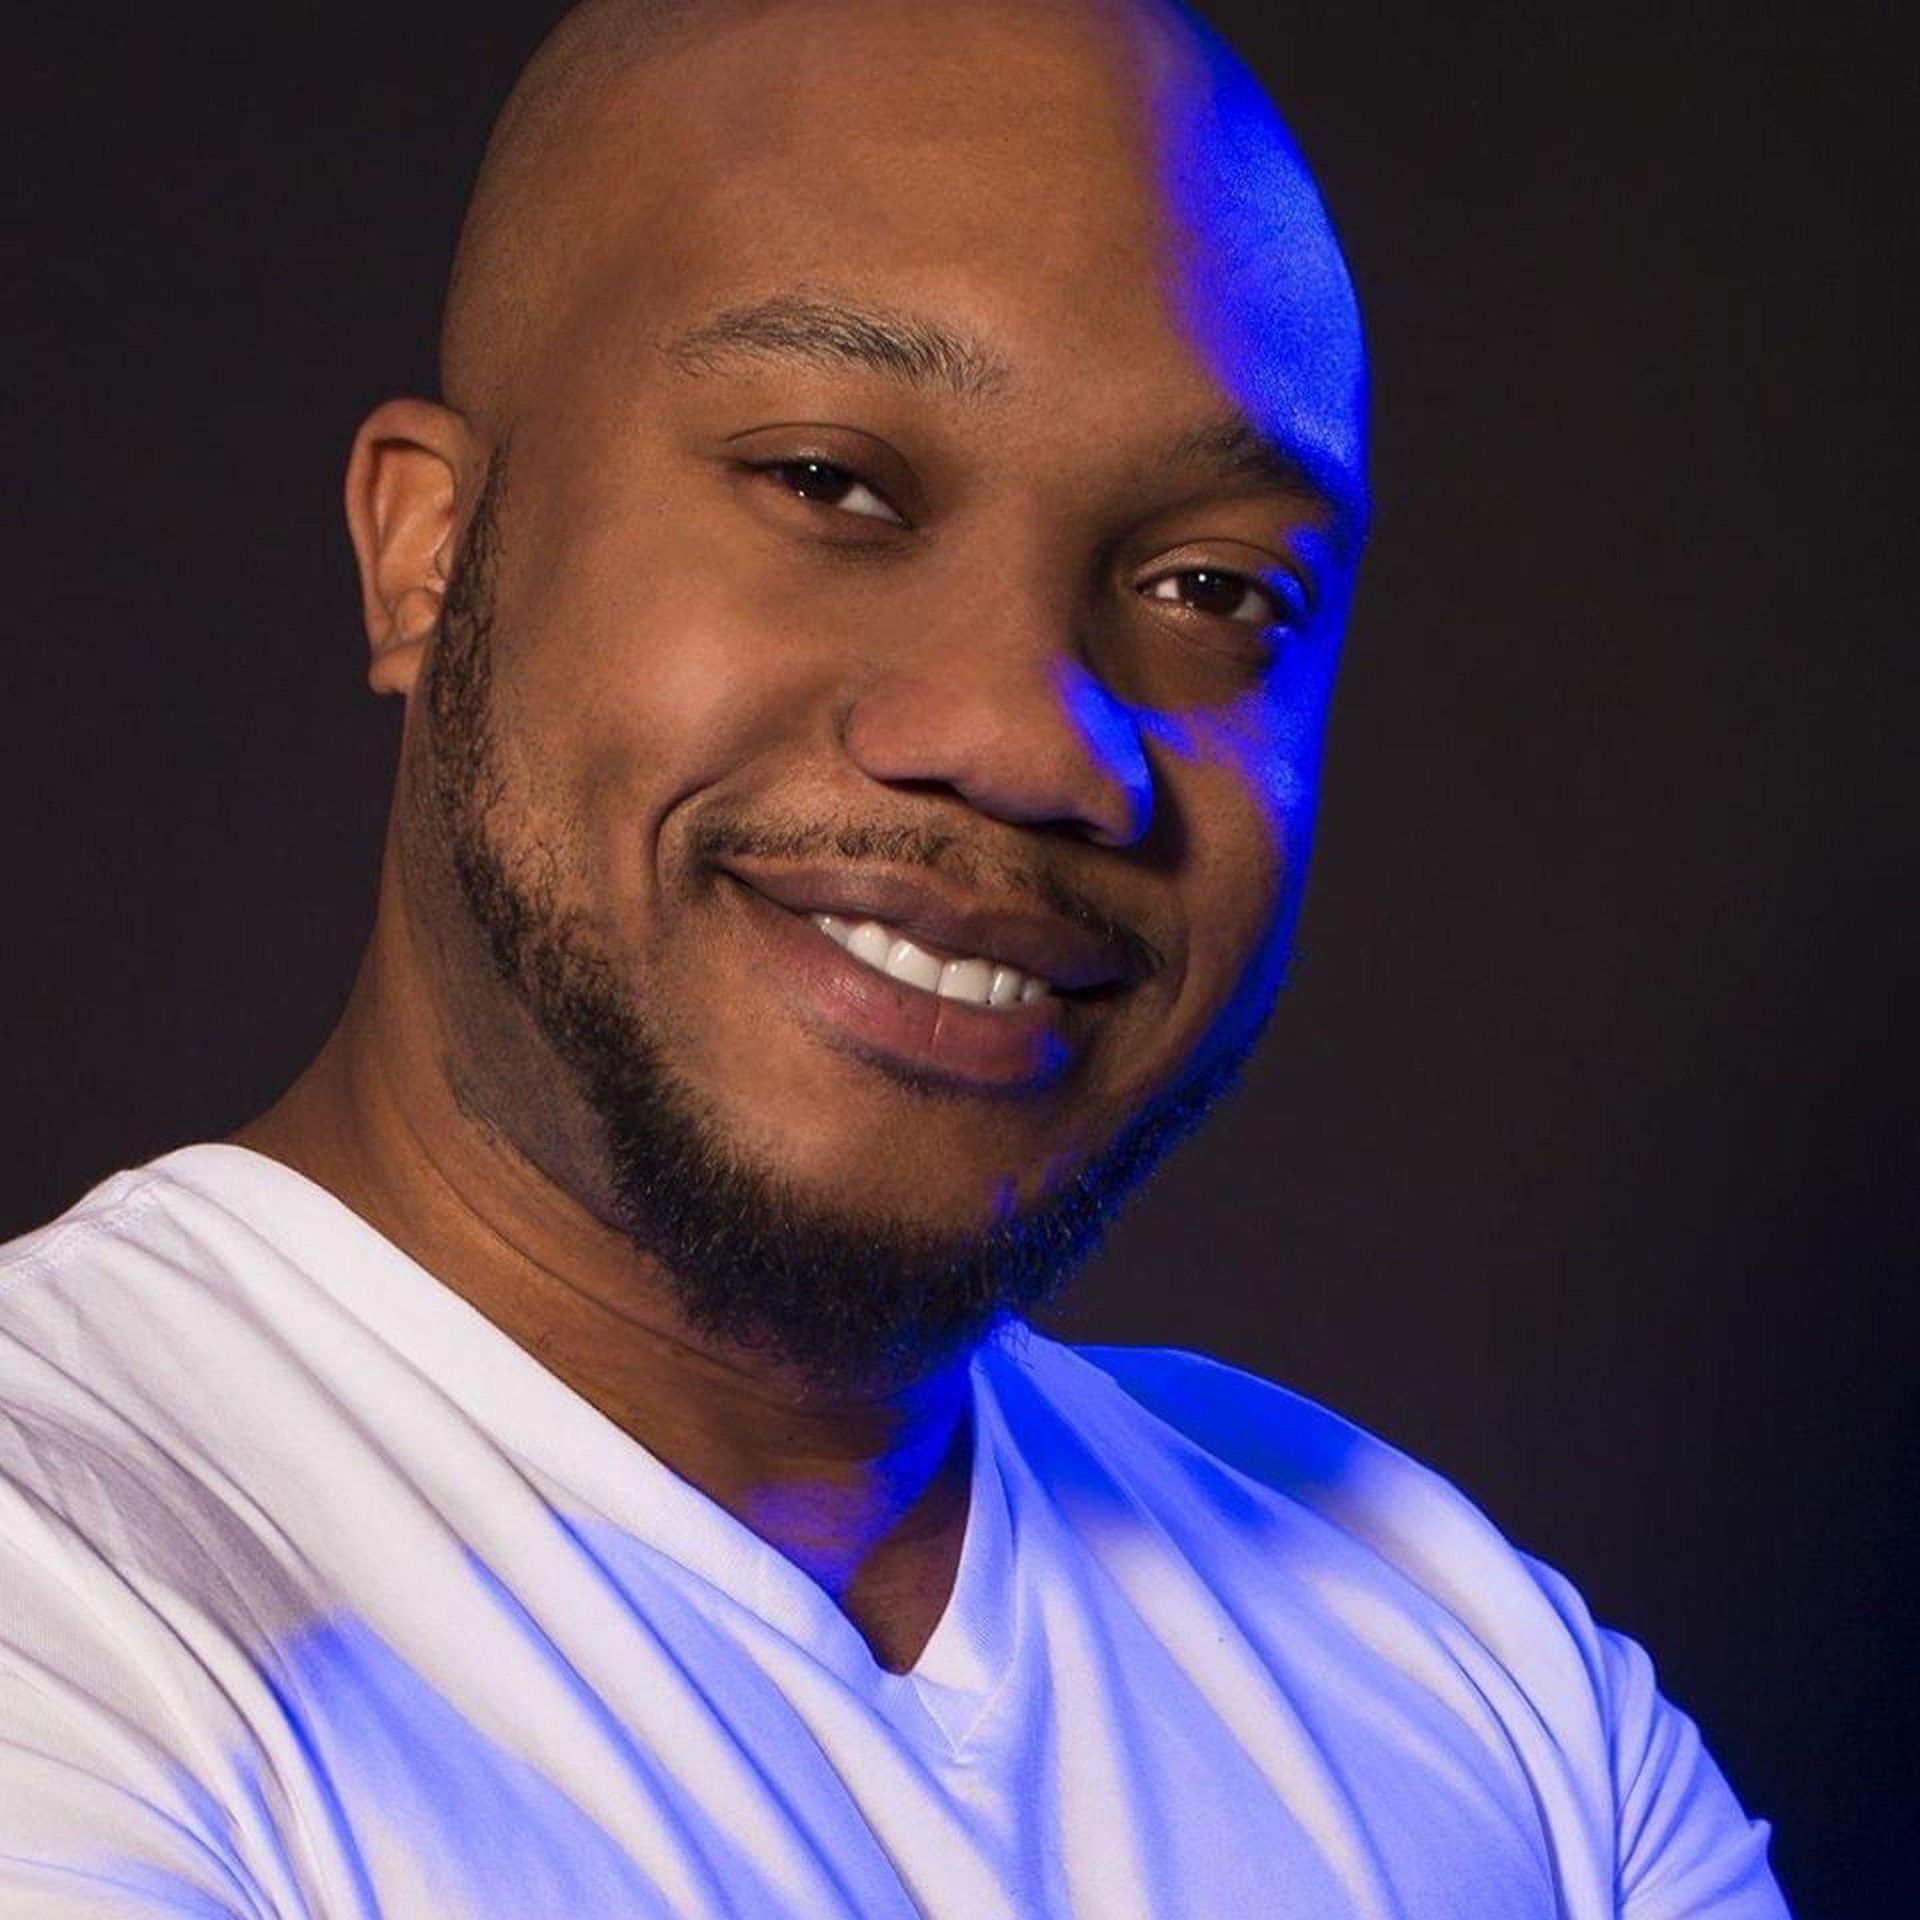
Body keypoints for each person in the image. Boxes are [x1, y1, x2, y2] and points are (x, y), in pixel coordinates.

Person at [0, 0, 1791, 1913]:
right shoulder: (76, 1596)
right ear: (426, 557)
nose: (1032, 741)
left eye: (1211, 587)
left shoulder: (1484, 1683)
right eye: (827, 483)